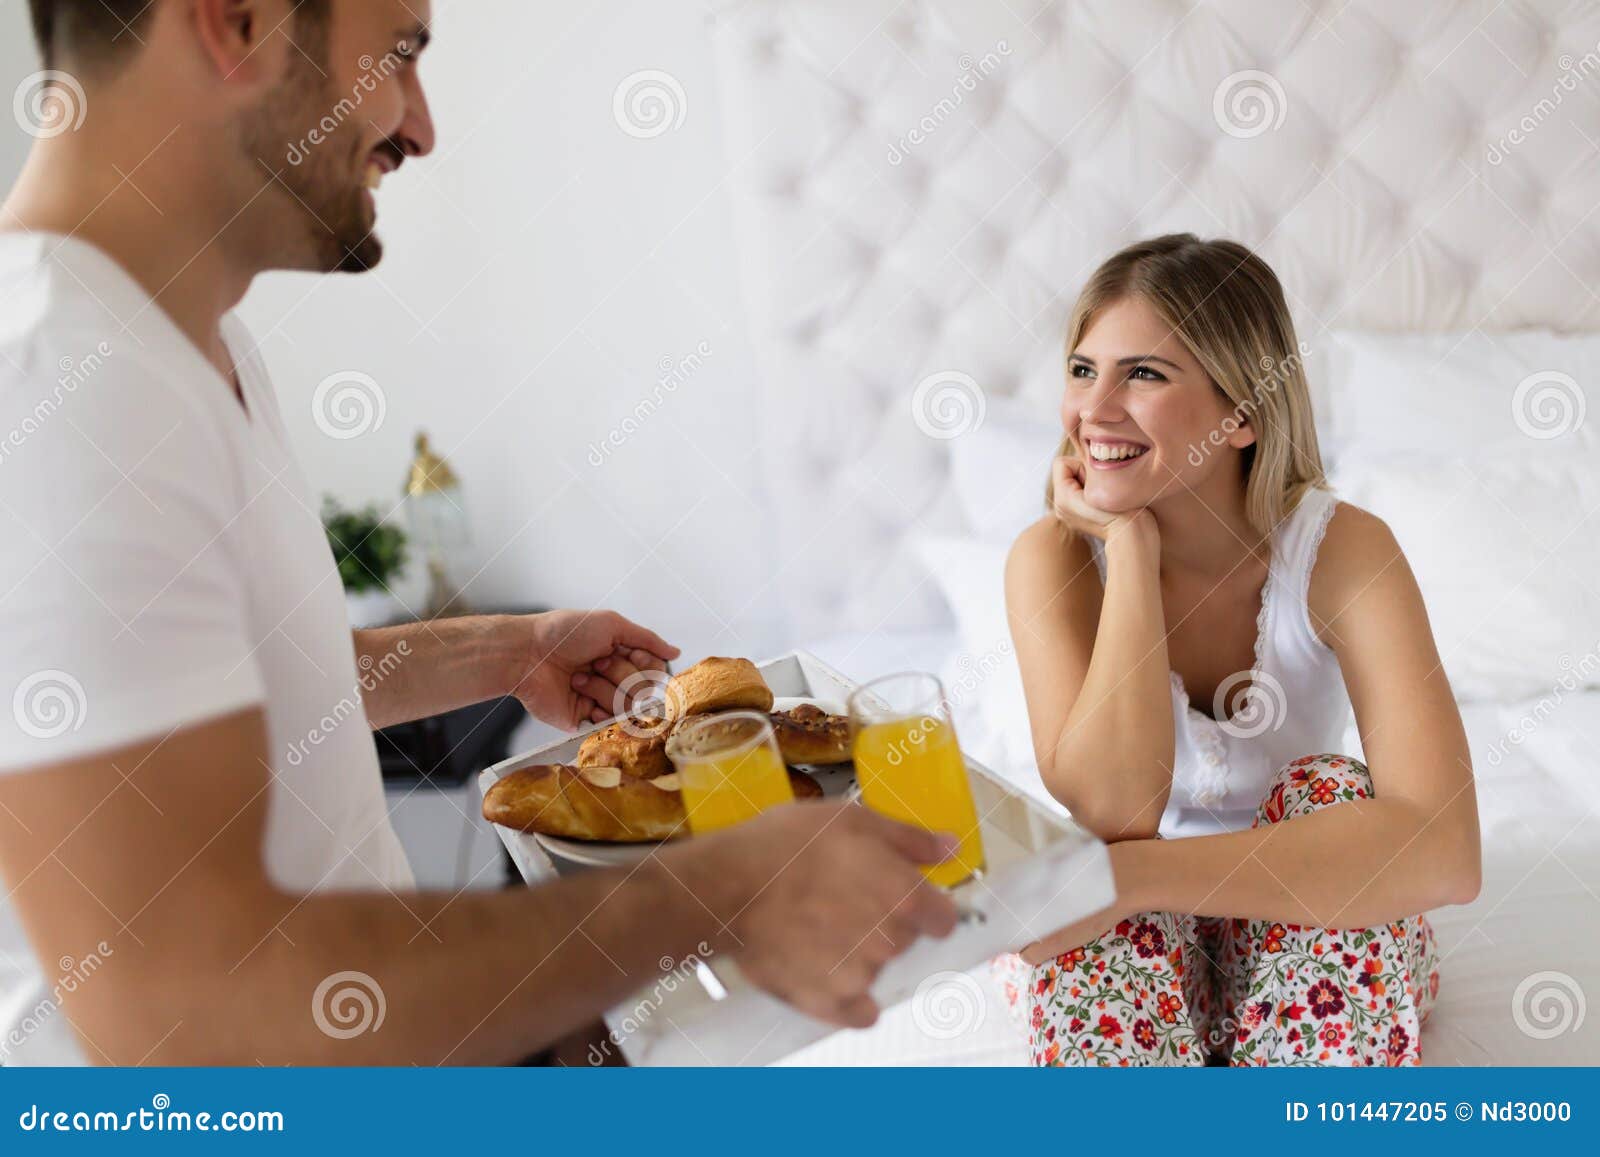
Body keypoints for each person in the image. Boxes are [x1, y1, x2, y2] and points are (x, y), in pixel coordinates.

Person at [0, 0, 959, 1066]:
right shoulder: (57, 387)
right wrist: (716, 891)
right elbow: (192, 1005)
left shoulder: (178, 347)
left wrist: (509, 651)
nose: (421, 127)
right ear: (236, 22)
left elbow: (251, 690)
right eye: (399, 54)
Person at [993, 234, 1481, 1066]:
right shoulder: (1053, 559)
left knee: (1327, 789)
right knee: (1084, 867)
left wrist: (1135, 880)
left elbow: (1445, 850)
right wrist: (1133, 553)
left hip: (1301, 908)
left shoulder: (1346, 552)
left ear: (1242, 413)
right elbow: (1117, 812)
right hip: (1128, 933)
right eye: (1083, 369)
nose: (1094, 408)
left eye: (1142, 372)